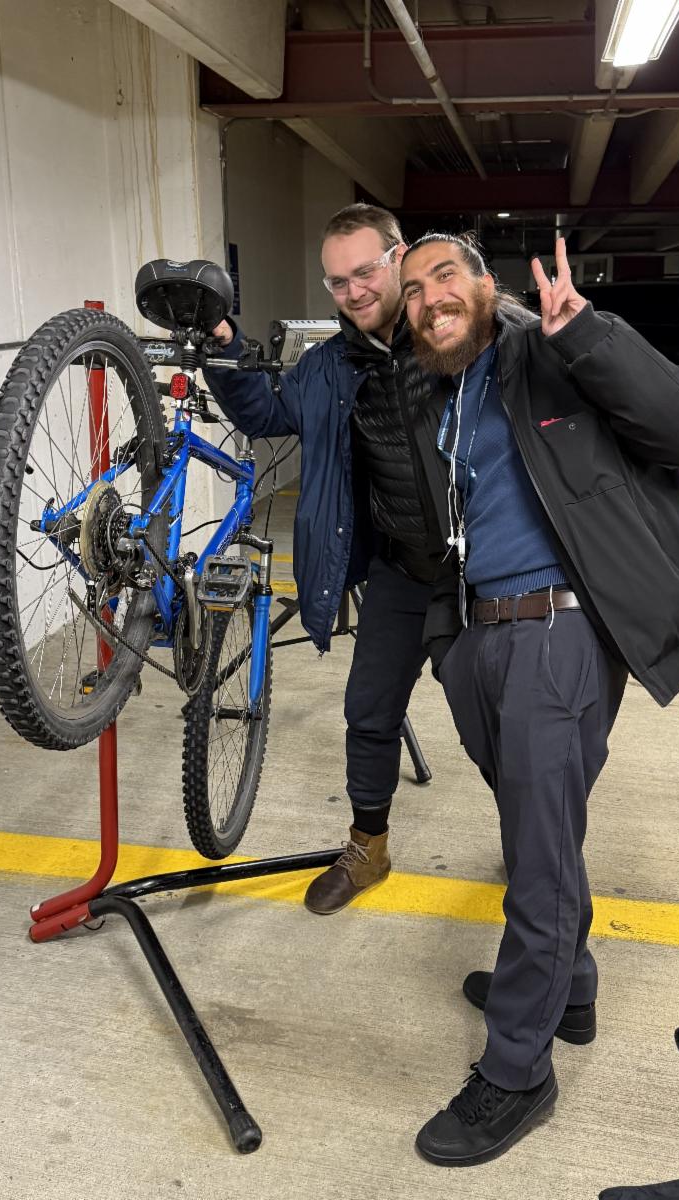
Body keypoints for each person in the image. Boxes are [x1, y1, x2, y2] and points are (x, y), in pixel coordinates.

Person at [396, 233, 679, 1167]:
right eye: (413, 290)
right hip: (483, 639)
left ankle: (517, 1071)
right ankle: (566, 990)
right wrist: (447, 646)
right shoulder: (447, 393)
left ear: (487, 285)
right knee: (539, 831)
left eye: (445, 277)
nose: (429, 299)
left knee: (536, 864)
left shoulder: (550, 349)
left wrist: (588, 335)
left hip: (556, 634)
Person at [203, 204, 458, 915]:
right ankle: (367, 847)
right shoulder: (327, 368)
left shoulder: (459, 337)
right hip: (401, 573)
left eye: (366, 271)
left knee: (499, 733)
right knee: (368, 712)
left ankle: (534, 859)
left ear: (399, 257)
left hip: (484, 578)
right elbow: (263, 414)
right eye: (337, 280)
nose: (352, 291)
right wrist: (225, 341)